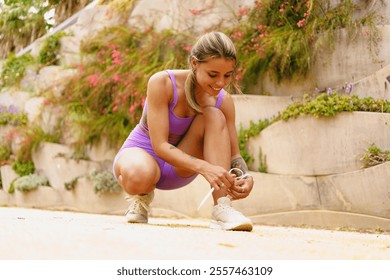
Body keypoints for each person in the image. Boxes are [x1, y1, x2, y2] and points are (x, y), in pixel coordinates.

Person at [113, 31, 254, 231]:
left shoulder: (224, 102)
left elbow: (235, 155)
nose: (220, 83)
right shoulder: (163, 83)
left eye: (227, 75)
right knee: (140, 174)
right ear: (195, 63)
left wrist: (245, 177)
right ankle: (141, 198)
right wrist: (205, 167)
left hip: (180, 169)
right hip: (144, 154)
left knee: (214, 115)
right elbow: (160, 146)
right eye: (213, 74)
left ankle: (222, 208)